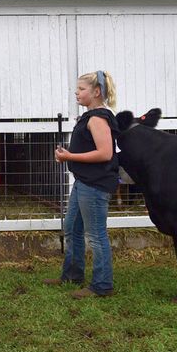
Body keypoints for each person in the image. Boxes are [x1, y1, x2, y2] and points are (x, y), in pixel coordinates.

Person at [45, 70, 121, 299]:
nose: (76, 93)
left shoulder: (98, 118)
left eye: (81, 89)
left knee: (96, 235)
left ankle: (102, 285)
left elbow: (105, 153)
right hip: (83, 183)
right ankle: (72, 274)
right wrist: (68, 156)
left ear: (96, 92)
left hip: (94, 185)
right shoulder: (91, 116)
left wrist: (70, 157)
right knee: (72, 228)